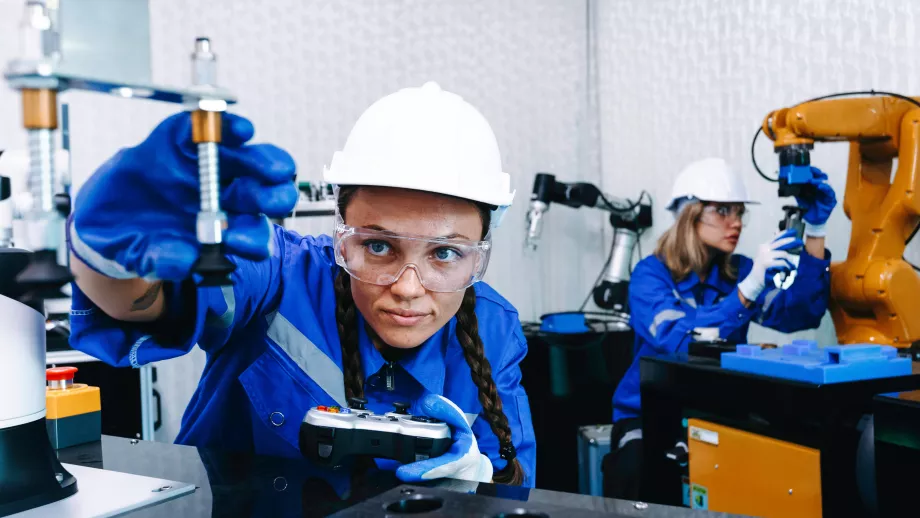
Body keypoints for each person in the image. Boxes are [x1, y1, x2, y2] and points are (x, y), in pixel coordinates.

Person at [66, 82, 535, 486]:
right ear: (340, 233)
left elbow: (514, 485)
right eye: (378, 247)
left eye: (445, 253)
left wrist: (478, 484)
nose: (408, 288)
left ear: (480, 251)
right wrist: (105, 259)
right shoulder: (279, 276)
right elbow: (148, 302)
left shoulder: (493, 330)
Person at [601, 157, 836, 499]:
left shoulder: (739, 271)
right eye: (723, 211)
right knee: (638, 472)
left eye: (740, 212)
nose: (736, 223)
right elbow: (679, 340)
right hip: (647, 415)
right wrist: (747, 292)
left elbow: (800, 314)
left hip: (717, 410)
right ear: (689, 215)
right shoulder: (649, 276)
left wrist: (815, 231)